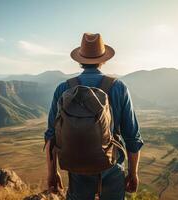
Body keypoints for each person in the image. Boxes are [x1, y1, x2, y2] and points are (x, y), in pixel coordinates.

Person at [44, 33, 144, 200]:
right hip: (112, 170)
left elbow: (51, 137)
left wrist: (52, 173)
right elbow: (132, 138)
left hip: (77, 171)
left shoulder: (64, 89)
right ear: (103, 60)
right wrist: (133, 173)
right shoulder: (119, 87)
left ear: (79, 59)